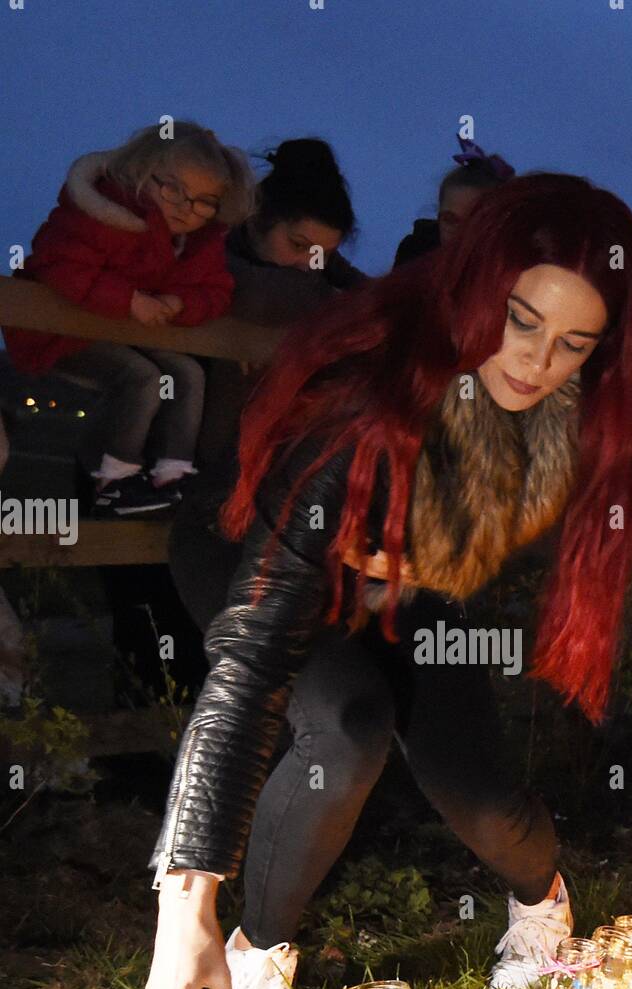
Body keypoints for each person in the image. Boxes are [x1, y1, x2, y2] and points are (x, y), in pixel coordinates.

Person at [134, 172, 632, 989]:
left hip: (407, 581)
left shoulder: (565, 430)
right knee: (345, 723)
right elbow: (253, 664)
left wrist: (414, 568)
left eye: (573, 343)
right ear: (470, 287)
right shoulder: (359, 407)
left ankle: (543, 912)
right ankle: (254, 956)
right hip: (261, 544)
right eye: (521, 320)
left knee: (479, 788)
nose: (536, 362)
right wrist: (187, 903)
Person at [1, 122, 253, 517]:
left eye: (204, 201)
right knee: (143, 377)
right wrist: (128, 301)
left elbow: (215, 291)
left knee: (186, 373)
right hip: (58, 334)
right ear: (141, 173)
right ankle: (114, 478)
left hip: (121, 335)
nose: (185, 208)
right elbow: (57, 265)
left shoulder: (199, 244)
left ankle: (173, 472)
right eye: (173, 189)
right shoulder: (100, 214)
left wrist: (180, 303)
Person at [171, 138, 367, 632]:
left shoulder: (312, 268)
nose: (308, 263)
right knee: (168, 610)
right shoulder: (208, 253)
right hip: (189, 469)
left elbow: (363, 295)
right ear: (258, 219)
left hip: (261, 475)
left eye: (322, 255)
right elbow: (261, 294)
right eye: (298, 246)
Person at [393, 136, 514, 266]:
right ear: (439, 217)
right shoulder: (415, 258)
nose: (459, 232)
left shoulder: (518, 271)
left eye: (474, 221)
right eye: (450, 220)